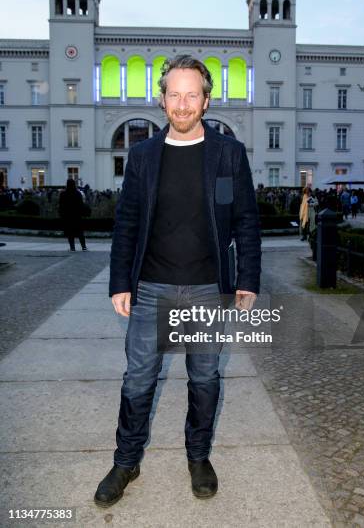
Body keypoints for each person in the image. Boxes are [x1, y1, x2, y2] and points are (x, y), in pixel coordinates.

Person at [94, 55, 262, 507]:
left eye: (192, 95)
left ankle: (199, 457)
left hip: (208, 287)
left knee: (205, 379)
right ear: (162, 100)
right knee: (137, 381)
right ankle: (126, 461)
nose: (183, 104)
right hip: (151, 289)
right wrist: (119, 282)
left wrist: (247, 279)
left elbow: (244, 219)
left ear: (206, 100)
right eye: (174, 95)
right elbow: (127, 222)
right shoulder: (143, 156)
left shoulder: (228, 154)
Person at [58, 178, 88, 251]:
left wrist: (61, 214)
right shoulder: (77, 193)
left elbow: (61, 205)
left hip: (68, 215)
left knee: (70, 232)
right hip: (77, 215)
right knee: (80, 231)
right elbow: (81, 204)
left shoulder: (63, 193)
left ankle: (72, 247)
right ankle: (83, 246)